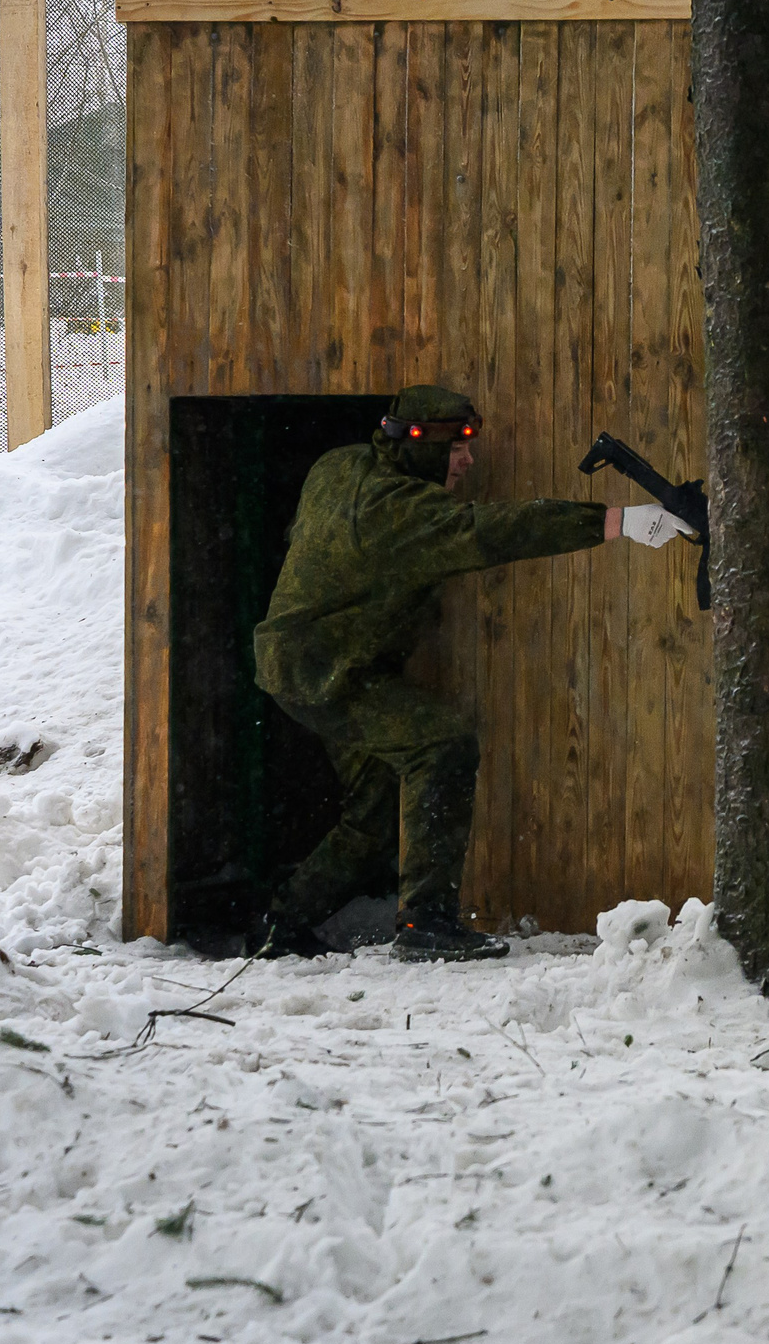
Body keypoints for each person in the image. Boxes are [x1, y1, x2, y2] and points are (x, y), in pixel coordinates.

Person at [250, 384, 693, 962]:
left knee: (372, 823)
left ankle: (279, 924)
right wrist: (619, 521)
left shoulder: (341, 465)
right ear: (414, 443)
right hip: (328, 675)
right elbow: (491, 531)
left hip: (308, 662)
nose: (468, 461)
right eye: (455, 448)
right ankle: (425, 923)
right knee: (442, 745)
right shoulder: (393, 510)